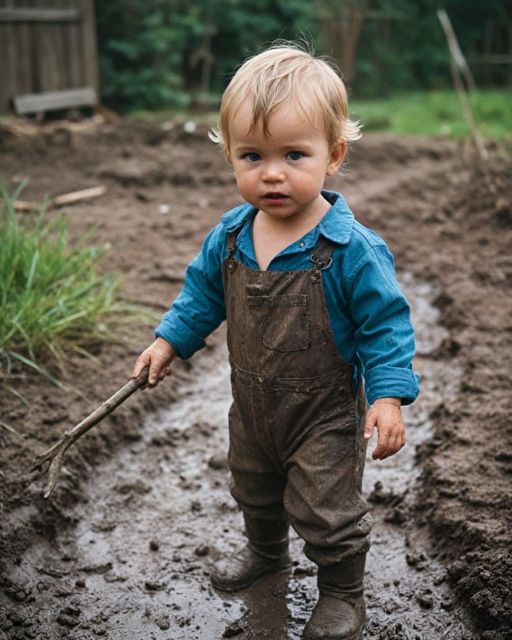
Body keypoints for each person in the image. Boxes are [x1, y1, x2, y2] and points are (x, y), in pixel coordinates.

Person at [132, 43, 420, 640]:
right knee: (253, 485)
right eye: (252, 155)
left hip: (324, 413)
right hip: (255, 403)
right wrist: (168, 341)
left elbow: (385, 324)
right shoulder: (232, 235)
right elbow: (201, 296)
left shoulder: (349, 249)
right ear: (230, 156)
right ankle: (267, 558)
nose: (271, 173)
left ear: (333, 155)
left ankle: (342, 593)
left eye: (294, 154)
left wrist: (387, 396)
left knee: (325, 508)